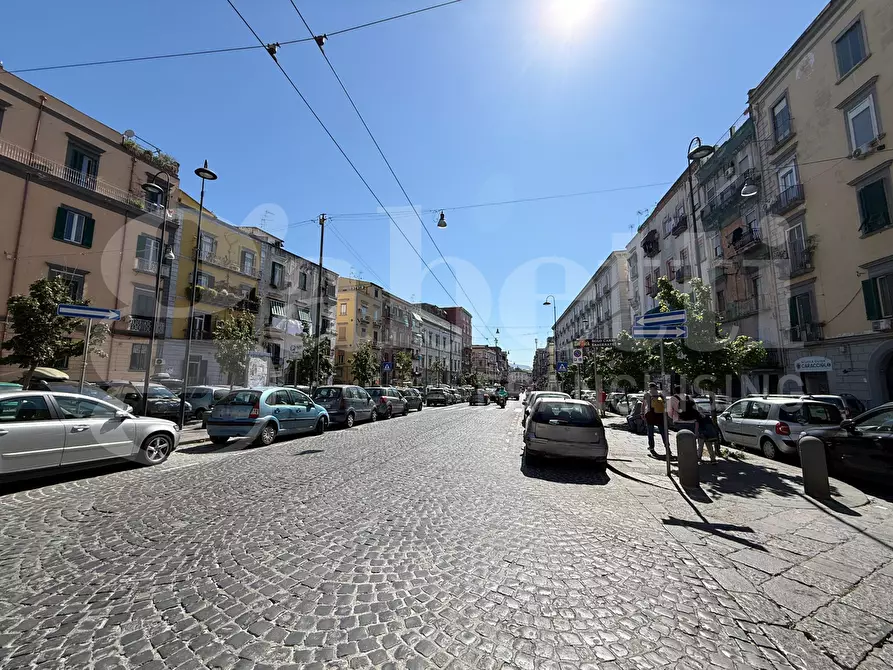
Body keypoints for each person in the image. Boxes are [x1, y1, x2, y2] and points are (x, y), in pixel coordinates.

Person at [668, 385, 703, 455]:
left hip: (679, 421)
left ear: (675, 391)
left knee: (682, 438)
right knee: (691, 438)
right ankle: (692, 454)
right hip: (691, 421)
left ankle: (683, 454)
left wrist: (674, 417)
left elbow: (669, 412)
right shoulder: (688, 397)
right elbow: (695, 408)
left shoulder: (672, 399)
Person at [643, 382, 669, 456]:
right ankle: (667, 448)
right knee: (663, 433)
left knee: (650, 432)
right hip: (660, 415)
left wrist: (642, 413)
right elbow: (665, 404)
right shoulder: (660, 394)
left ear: (649, 387)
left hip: (650, 414)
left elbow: (644, 404)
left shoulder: (647, 394)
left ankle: (651, 448)